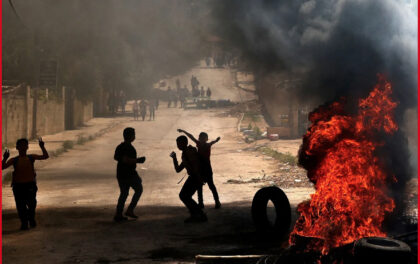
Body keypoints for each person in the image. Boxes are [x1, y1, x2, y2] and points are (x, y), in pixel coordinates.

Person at [2, 138, 49, 230]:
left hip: (30, 185)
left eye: (25, 145)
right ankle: (24, 223)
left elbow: (45, 156)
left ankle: (31, 219)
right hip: (18, 187)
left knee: (32, 204)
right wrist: (5, 158)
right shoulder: (14, 160)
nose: (23, 147)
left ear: (27, 147)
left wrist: (42, 147)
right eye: (21, 145)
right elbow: (2, 167)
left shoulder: (31, 157)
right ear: (17, 148)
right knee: (21, 206)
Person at [177, 129, 221, 209]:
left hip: (207, 168)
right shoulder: (199, 144)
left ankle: (217, 201)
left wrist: (216, 140)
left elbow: (212, 142)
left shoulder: (207, 145)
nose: (202, 140)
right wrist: (184, 131)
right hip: (201, 168)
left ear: (206, 139)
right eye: (200, 138)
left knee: (211, 185)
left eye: (203, 138)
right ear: (199, 138)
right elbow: (191, 136)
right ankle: (201, 203)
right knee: (199, 186)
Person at [170, 136, 207, 223]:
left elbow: (196, 166)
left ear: (184, 143)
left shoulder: (189, 152)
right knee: (185, 196)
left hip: (195, 176)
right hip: (194, 177)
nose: (178, 145)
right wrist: (174, 158)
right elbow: (178, 169)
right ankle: (198, 214)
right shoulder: (185, 153)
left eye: (179, 143)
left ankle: (198, 214)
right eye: (177, 144)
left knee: (184, 196)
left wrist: (199, 179)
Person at [114, 128, 146, 222]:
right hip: (128, 173)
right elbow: (124, 160)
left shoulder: (120, 146)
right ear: (131, 136)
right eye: (134, 134)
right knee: (139, 189)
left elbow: (117, 157)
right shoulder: (129, 148)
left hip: (121, 173)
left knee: (124, 193)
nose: (134, 136)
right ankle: (130, 210)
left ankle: (119, 214)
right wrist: (137, 160)